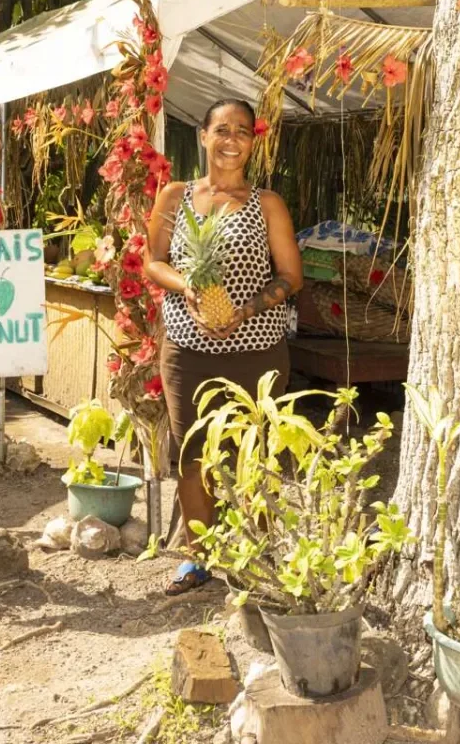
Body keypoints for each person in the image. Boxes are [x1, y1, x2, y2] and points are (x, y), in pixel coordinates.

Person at [145, 98, 303, 595]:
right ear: (203, 136)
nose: (232, 139)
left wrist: (246, 309)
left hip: (257, 347)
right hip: (188, 348)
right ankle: (198, 556)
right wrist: (188, 289)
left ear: (252, 142)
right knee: (192, 450)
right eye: (222, 129)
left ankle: (253, 548)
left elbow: (291, 277)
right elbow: (153, 262)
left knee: (254, 448)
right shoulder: (175, 197)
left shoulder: (266, 203)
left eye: (242, 131)